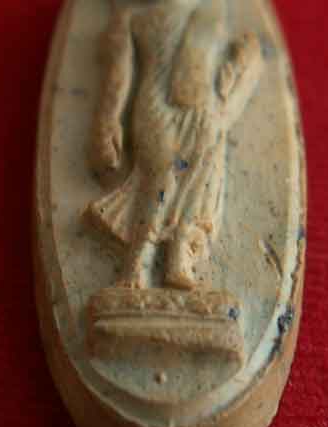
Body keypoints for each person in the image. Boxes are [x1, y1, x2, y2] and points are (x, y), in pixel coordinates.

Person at [86, 0, 263, 289]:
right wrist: (109, 120)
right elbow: (119, 75)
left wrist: (246, 59)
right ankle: (138, 263)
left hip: (204, 107)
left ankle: (179, 258)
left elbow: (226, 64)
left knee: (198, 179)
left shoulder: (213, 8)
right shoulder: (134, 17)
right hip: (157, 106)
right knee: (162, 176)